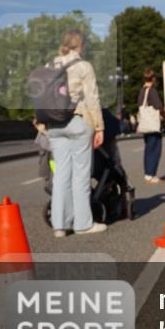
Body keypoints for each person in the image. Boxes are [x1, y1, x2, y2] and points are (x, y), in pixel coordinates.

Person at [47, 29, 107, 237]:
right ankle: (83, 224)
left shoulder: (51, 65)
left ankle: (59, 225)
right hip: (77, 121)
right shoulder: (84, 66)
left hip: (54, 125)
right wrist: (99, 127)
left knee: (61, 176)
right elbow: (92, 99)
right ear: (81, 44)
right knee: (80, 175)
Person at [137, 69, 165, 184]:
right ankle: (151, 174)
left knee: (148, 148)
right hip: (153, 125)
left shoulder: (142, 91)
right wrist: (164, 114)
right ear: (153, 78)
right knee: (155, 149)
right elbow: (158, 106)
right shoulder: (152, 91)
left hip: (145, 124)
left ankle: (148, 173)